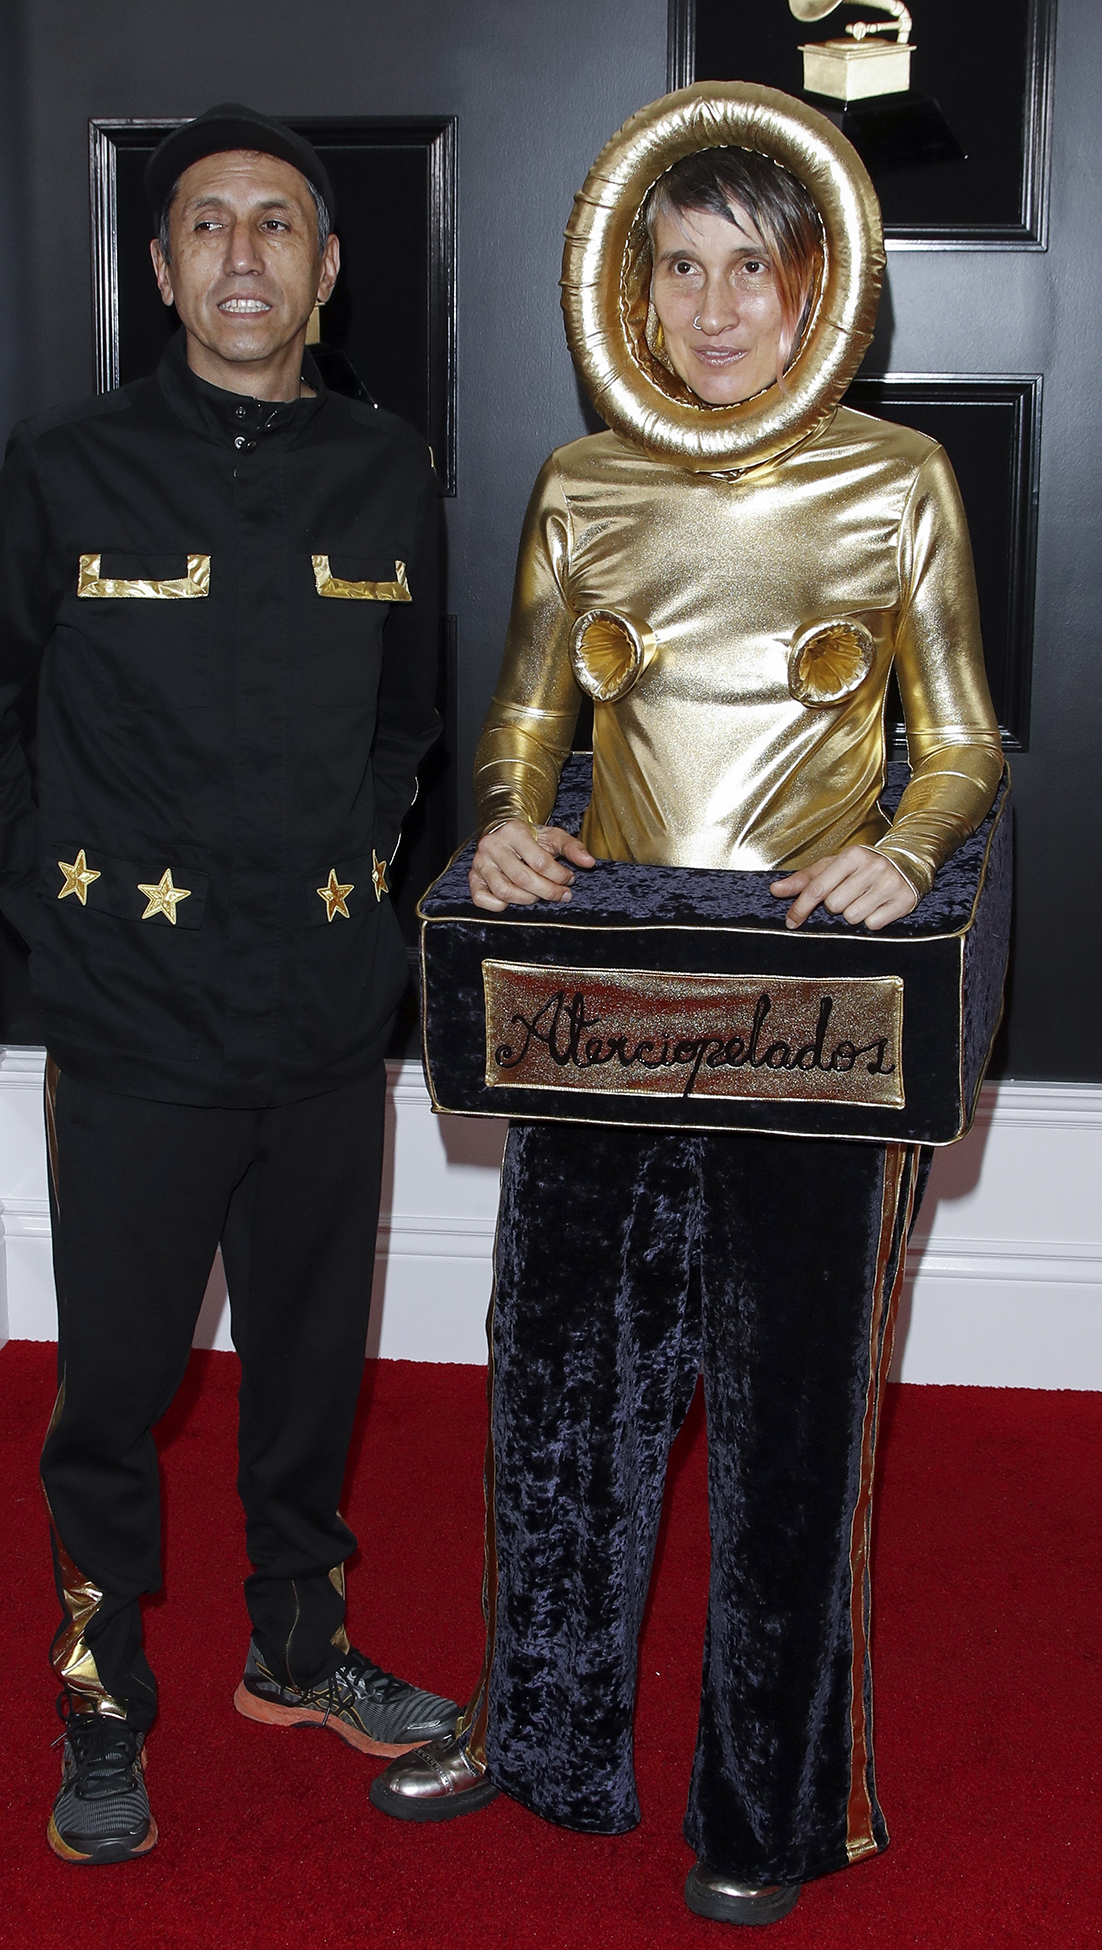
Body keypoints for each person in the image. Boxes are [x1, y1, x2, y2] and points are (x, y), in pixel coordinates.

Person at [370, 83, 1003, 1928]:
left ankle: (775, 1800)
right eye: (682, 269)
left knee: (796, 1422)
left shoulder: (897, 483)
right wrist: (499, 827)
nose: (718, 310)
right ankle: (545, 1731)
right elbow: (523, 729)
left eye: (758, 271)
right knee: (557, 1388)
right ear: (629, 292)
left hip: (807, 1011)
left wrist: (906, 842)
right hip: (598, 999)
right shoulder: (584, 487)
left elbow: (960, 739)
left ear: (826, 293)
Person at [0, 102, 457, 1867]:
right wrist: (59, 918)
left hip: (323, 1011)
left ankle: (299, 1646)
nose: (245, 253)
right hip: (135, 1021)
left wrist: (362, 892)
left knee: (314, 1362)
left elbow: (409, 722)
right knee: (118, 1387)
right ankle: (101, 1690)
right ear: (161, 271)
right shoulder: (66, 466)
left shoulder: (390, 471)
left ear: (325, 264)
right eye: (209, 225)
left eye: (279, 224)